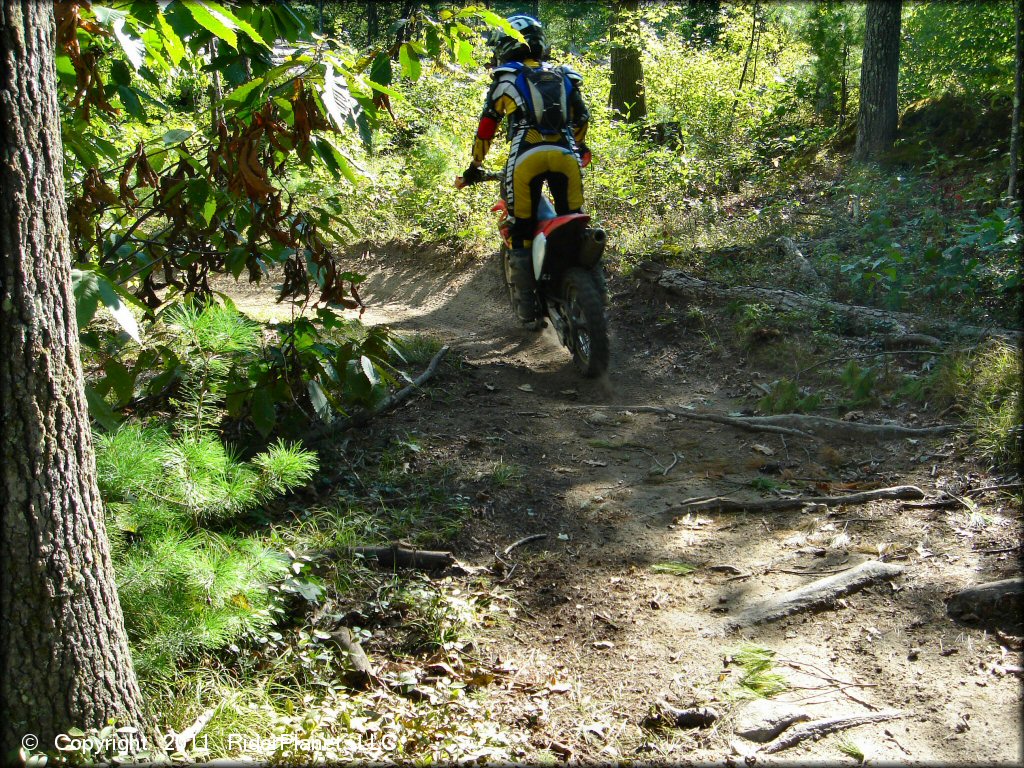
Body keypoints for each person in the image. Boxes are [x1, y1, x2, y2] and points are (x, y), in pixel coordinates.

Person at [461, 14, 592, 323]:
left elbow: (487, 126)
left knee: (520, 230)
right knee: (574, 223)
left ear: (506, 45)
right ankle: (585, 284)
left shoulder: (506, 77)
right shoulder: (565, 75)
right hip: (566, 156)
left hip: (526, 158)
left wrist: (474, 165)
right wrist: (580, 147)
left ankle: (527, 306)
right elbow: (582, 118)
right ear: (540, 41)